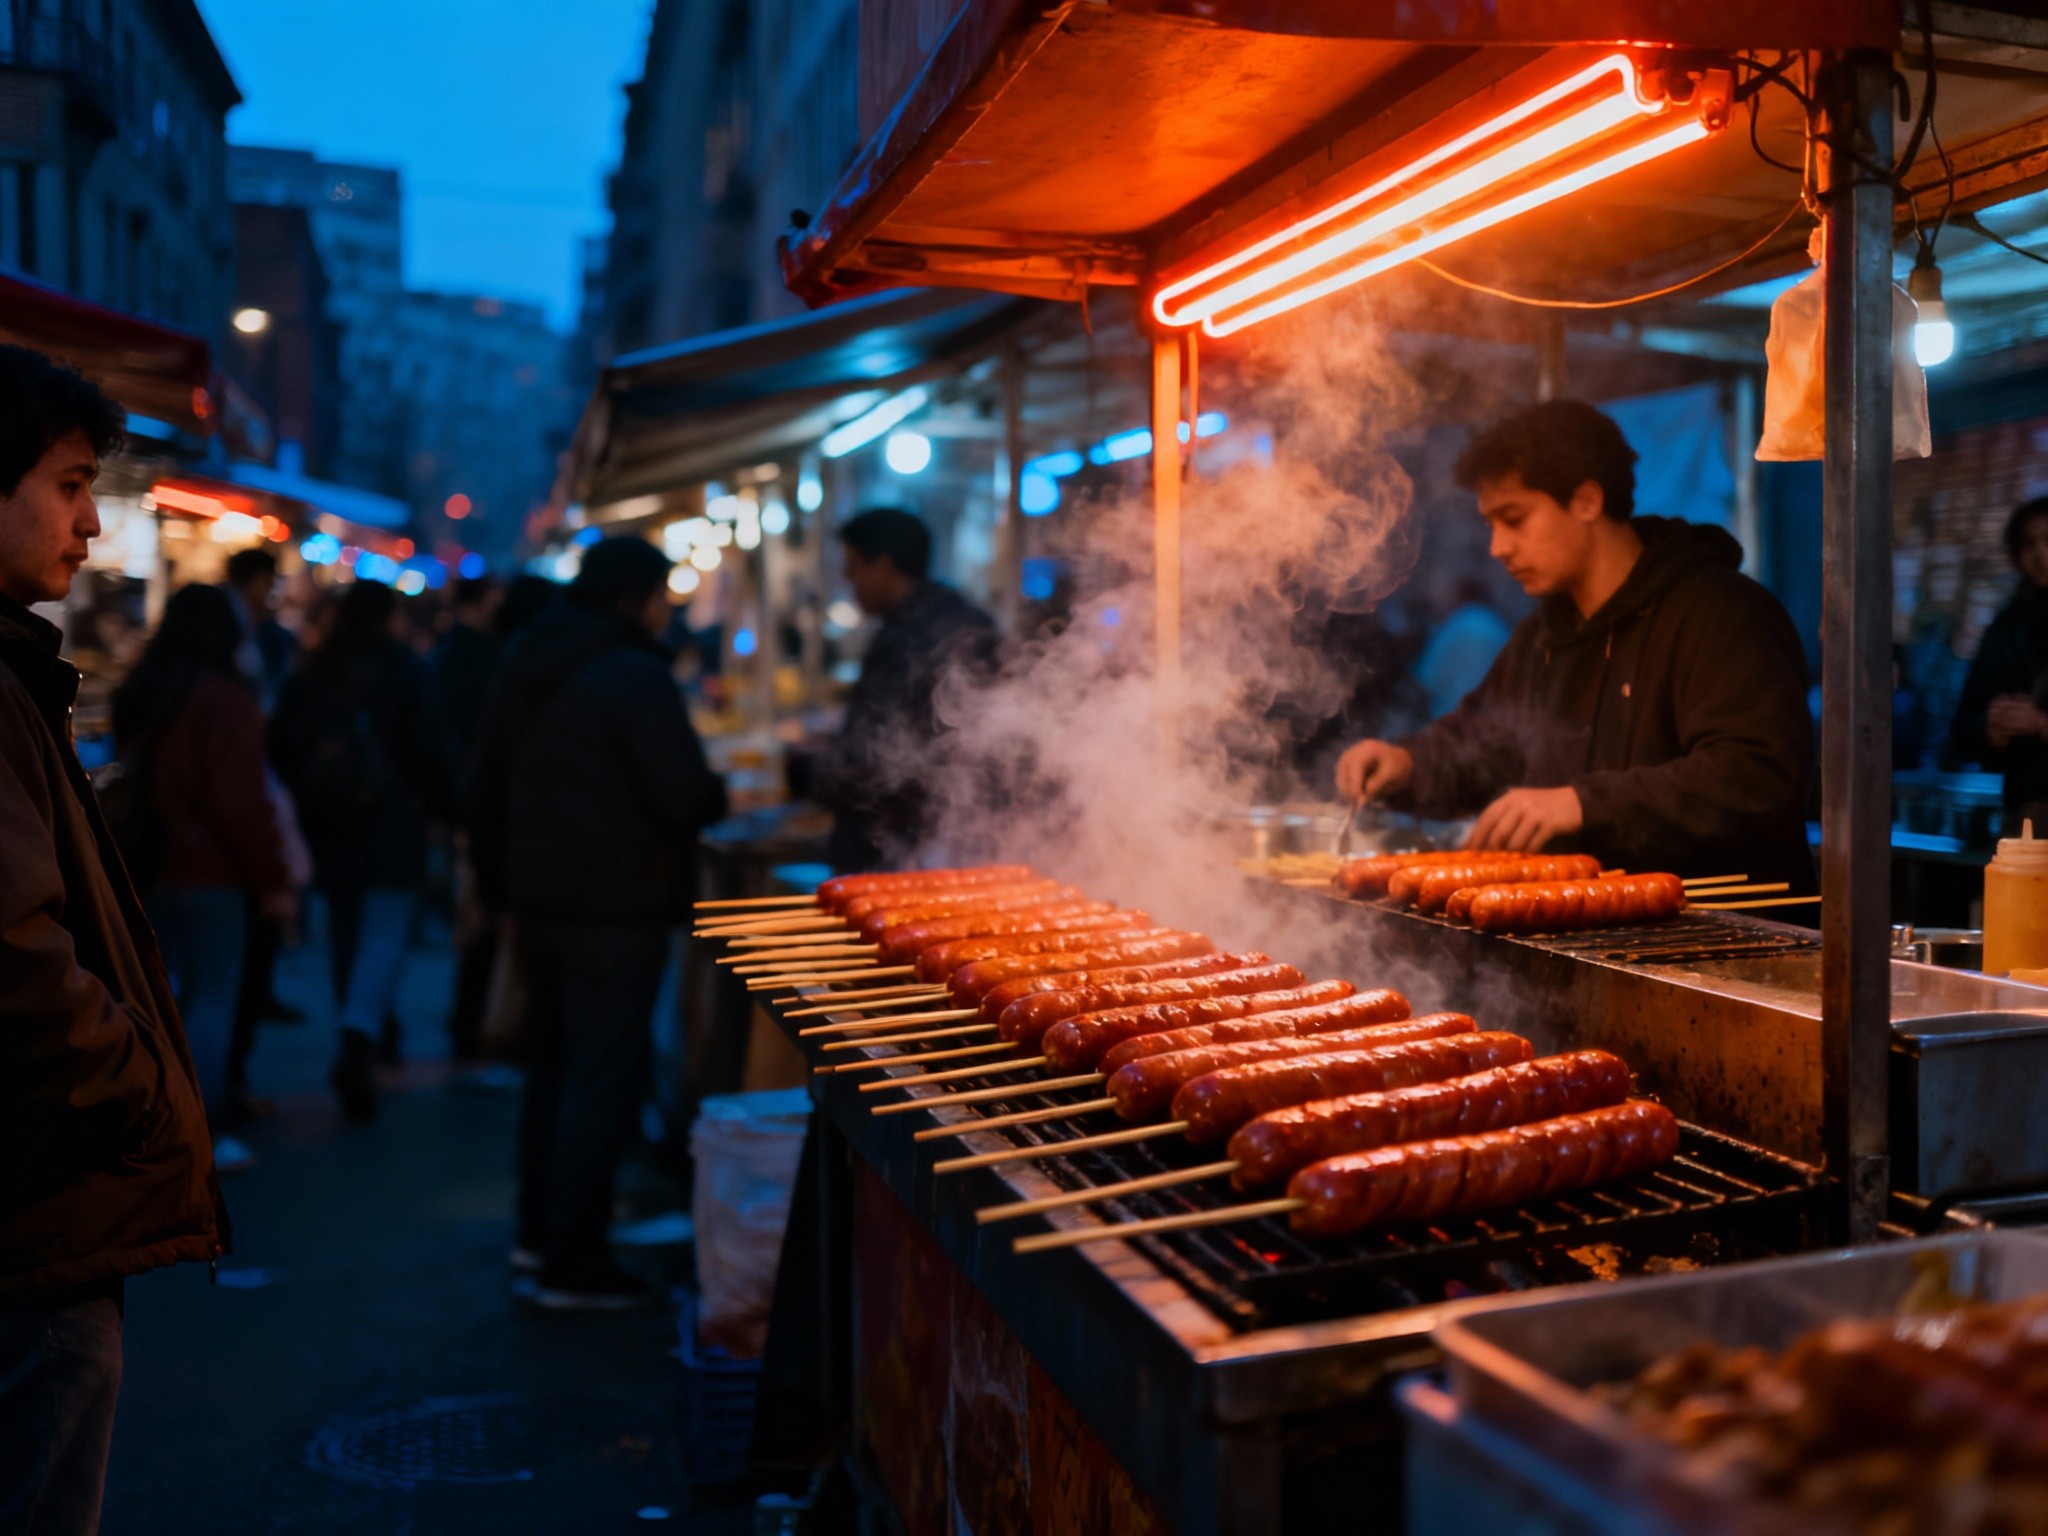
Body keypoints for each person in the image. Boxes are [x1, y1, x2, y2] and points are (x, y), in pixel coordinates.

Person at [0, 345, 222, 1532]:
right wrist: (139, 1089)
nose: (93, 524)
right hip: (35, 1202)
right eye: (71, 484)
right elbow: (13, 958)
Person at [1335, 399, 1815, 891]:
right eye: (1491, 525)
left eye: (1514, 518)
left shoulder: (1721, 613)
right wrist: (1406, 764)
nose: (1497, 547)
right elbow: (1479, 742)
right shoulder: (1542, 639)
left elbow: (1756, 777)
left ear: (1587, 500)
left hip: (1733, 943)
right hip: (1585, 942)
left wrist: (1583, 804)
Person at [467, 537, 726, 1308]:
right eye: (663, 597)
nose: (667, 612)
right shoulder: (634, 673)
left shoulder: (526, 655)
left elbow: (482, 778)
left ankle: (538, 1234)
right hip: (615, 906)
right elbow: (683, 794)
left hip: (540, 901)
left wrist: (499, 891)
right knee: (598, 1079)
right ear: (636, 596)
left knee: (553, 1070)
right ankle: (574, 1263)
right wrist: (714, 795)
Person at [111, 585, 293, 1173]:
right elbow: (242, 803)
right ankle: (197, 1133)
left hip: (146, 862)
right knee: (212, 1001)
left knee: (161, 999)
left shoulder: (145, 691)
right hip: (211, 870)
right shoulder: (222, 700)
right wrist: (273, 881)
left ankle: (154, 1121)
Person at [270, 579, 454, 1122]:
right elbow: (429, 747)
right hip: (392, 822)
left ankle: (360, 1026)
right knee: (384, 935)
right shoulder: (405, 668)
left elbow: (282, 745)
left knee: (348, 935)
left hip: (330, 826)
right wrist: (443, 810)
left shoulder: (314, 668)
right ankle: (361, 1034)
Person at [807, 507, 997, 871]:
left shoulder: (917, 637)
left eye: (853, 565)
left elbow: (884, 758)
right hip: (925, 845)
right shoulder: (946, 620)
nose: (849, 578)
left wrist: (807, 772)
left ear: (883, 563)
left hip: (907, 854)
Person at [430, 574, 502, 1065]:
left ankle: (468, 1026)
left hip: (461, 804)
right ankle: (471, 1031)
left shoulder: (448, 652)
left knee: (472, 919)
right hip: (476, 807)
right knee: (478, 922)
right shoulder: (478, 658)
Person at [1948, 496, 2048, 830]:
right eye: (2028, 544)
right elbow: (1964, 729)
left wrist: (2040, 723)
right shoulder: (2007, 626)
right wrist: (1991, 730)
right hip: (2027, 812)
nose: (2040, 554)